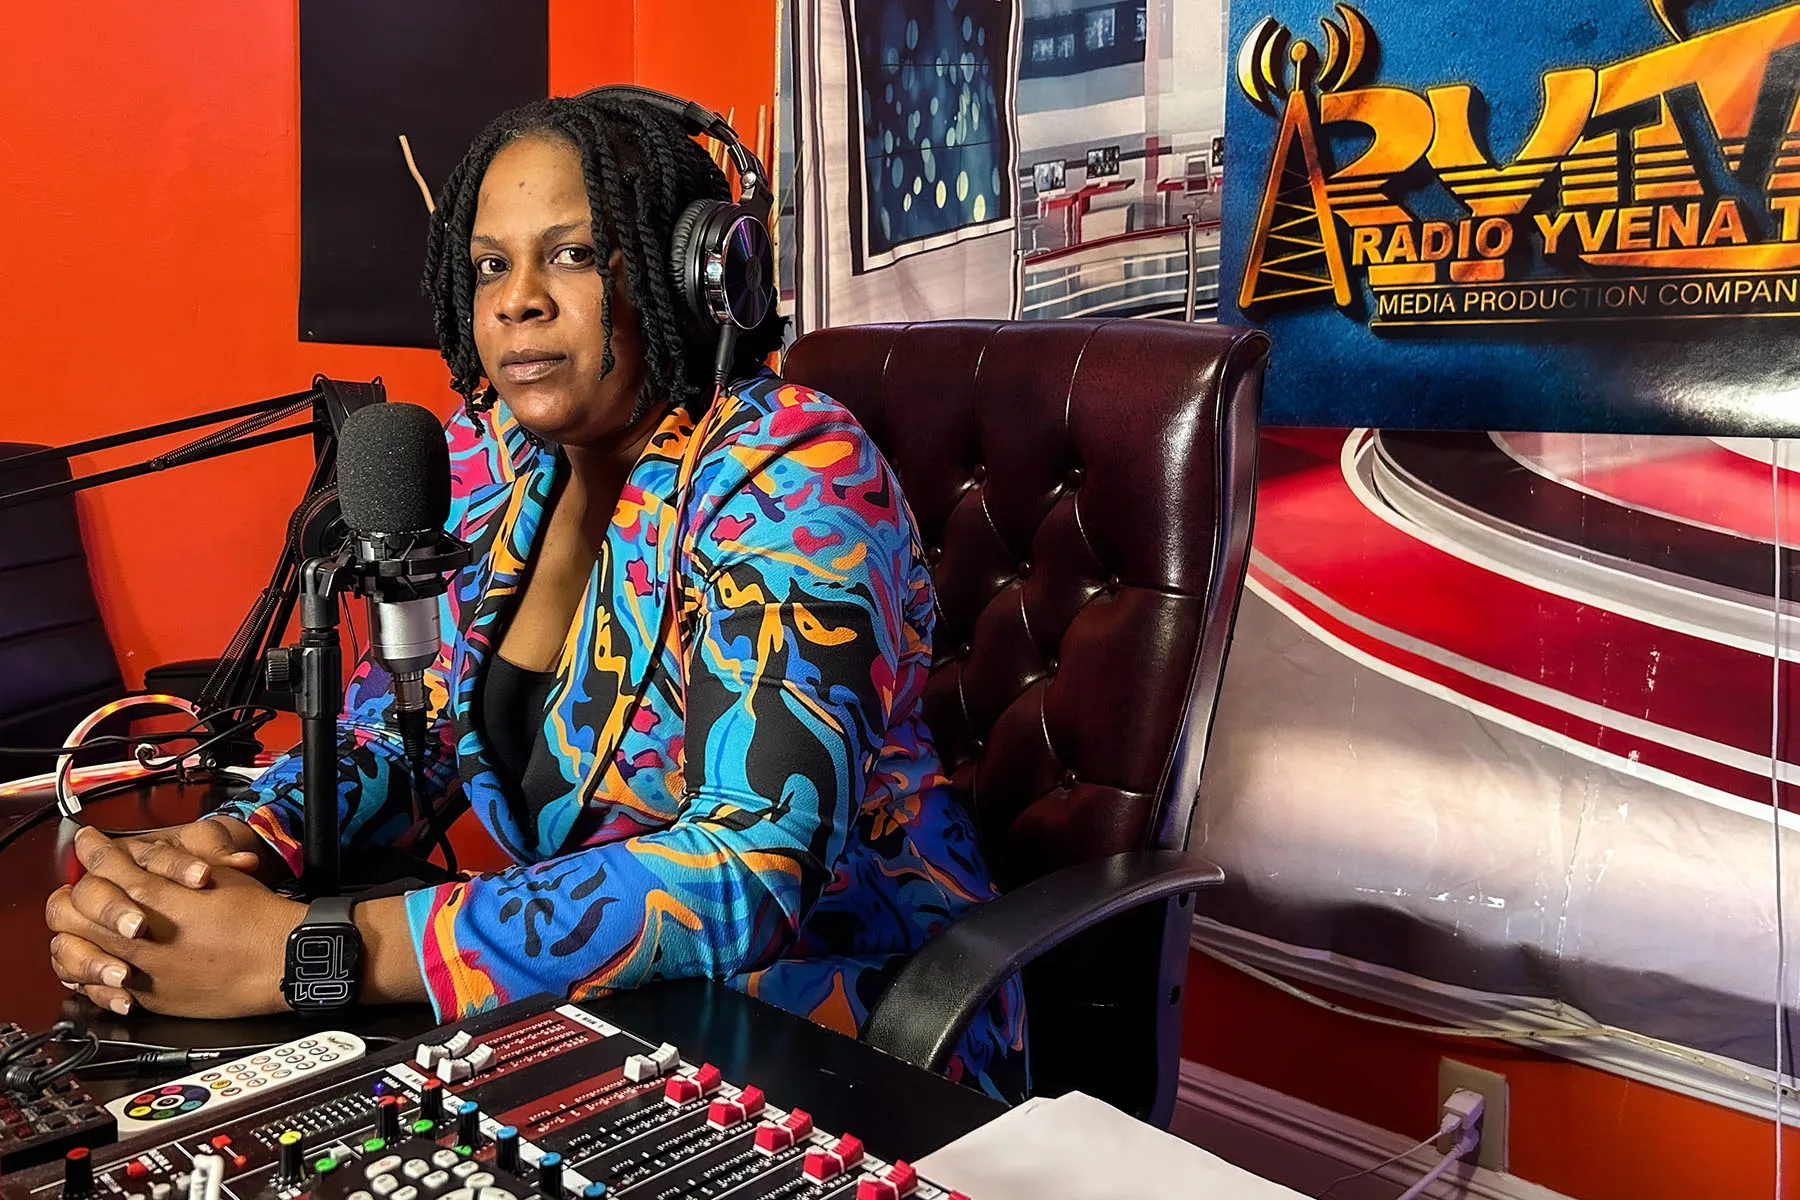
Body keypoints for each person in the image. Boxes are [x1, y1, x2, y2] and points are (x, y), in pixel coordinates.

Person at [42, 91, 1027, 1102]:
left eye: (572, 254)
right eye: (490, 265)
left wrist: (310, 952)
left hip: (845, 1038)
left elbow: (752, 862)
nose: (518, 300)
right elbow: (408, 736)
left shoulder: (792, 472)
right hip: (600, 1018)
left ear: (693, 275)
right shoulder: (494, 462)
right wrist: (230, 846)